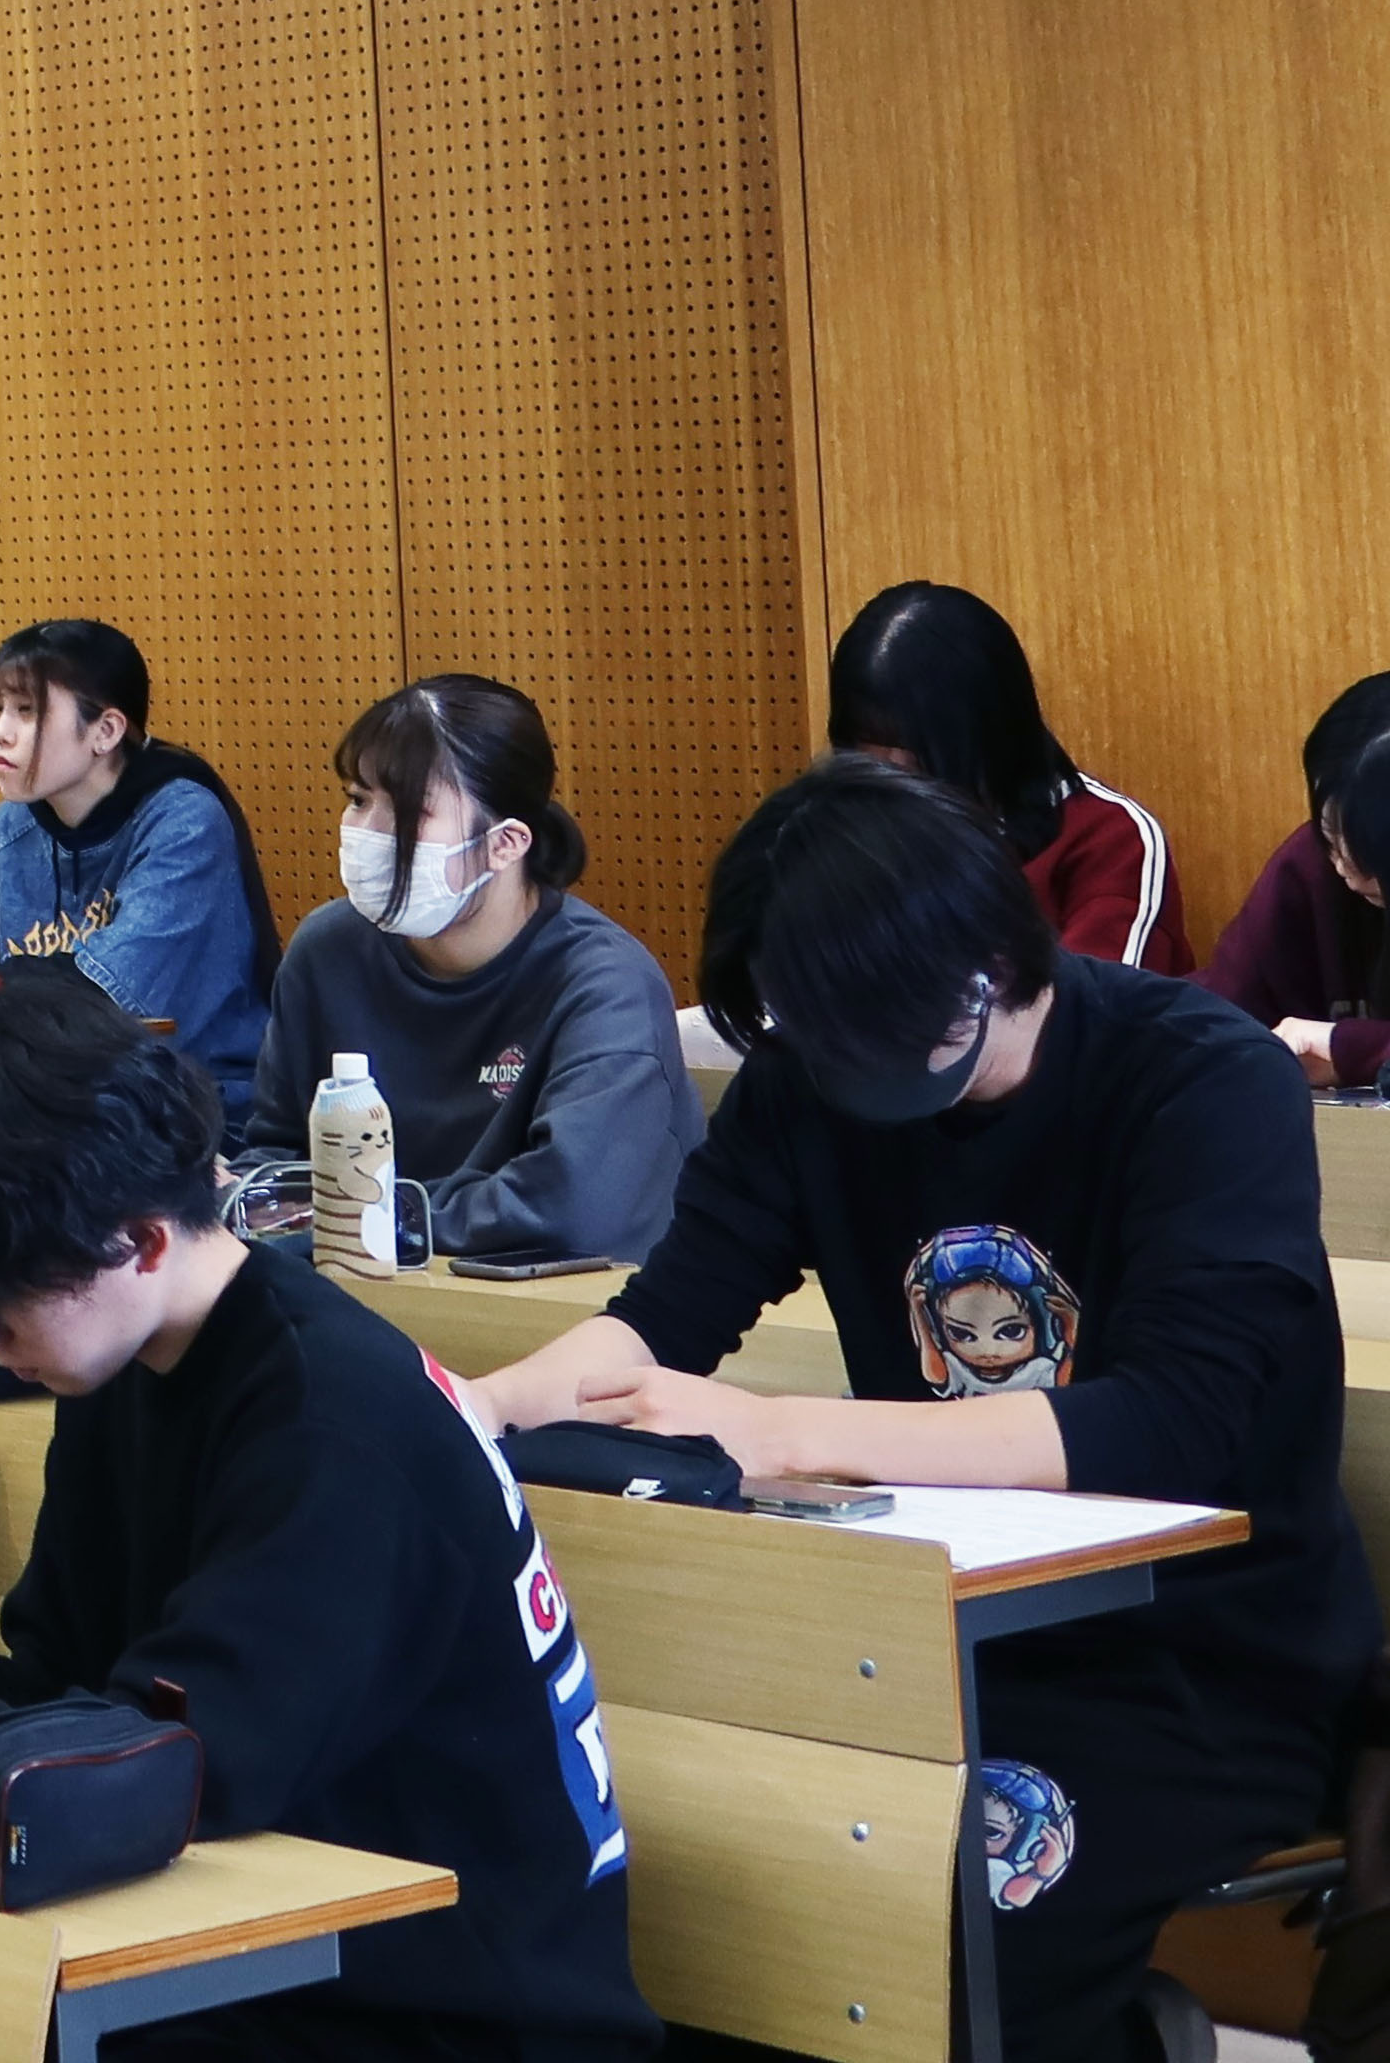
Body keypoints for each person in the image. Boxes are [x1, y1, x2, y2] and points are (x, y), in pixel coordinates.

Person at [470, 757, 1378, 2063]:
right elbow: (660, 1320)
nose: (825, 1064)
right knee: (702, 1887)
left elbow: (1168, 1429)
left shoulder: (1199, 1077)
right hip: (914, 1638)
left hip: (1199, 1662)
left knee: (932, 1921)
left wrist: (781, 1431)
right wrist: (475, 1414)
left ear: (978, 966)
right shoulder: (815, 1078)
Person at [0, 973, 659, 2063]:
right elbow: (67, 1689)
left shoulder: (333, 1425)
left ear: (142, 1241)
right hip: (279, 1955)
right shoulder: (128, 1361)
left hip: (451, 2019)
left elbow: (165, 1764)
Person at [243, 677, 699, 1262]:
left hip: (564, 1303)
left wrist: (370, 1218)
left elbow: (569, 1208)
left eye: (408, 811)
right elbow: (278, 1159)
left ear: (506, 844)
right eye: (358, 800)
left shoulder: (607, 986)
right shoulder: (326, 950)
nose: (365, 831)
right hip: (358, 1291)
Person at [0, 621, 275, 1125]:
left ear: (106, 731)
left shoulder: (184, 821)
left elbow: (111, 999)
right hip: (55, 1095)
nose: (0, 731)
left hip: (192, 1105)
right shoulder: (9, 828)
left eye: (26, 710)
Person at [828, 581, 1191, 973]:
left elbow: (1096, 1004)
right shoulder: (847, 836)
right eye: (865, 738)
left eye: (908, 741)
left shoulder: (1110, 839)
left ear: (986, 727)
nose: (891, 764)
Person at [1196, 673, 1390, 1090]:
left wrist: (1352, 1049)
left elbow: (1344, 1051)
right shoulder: (1308, 867)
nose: (1347, 867)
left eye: (1370, 844)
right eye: (1330, 832)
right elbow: (1223, 1009)